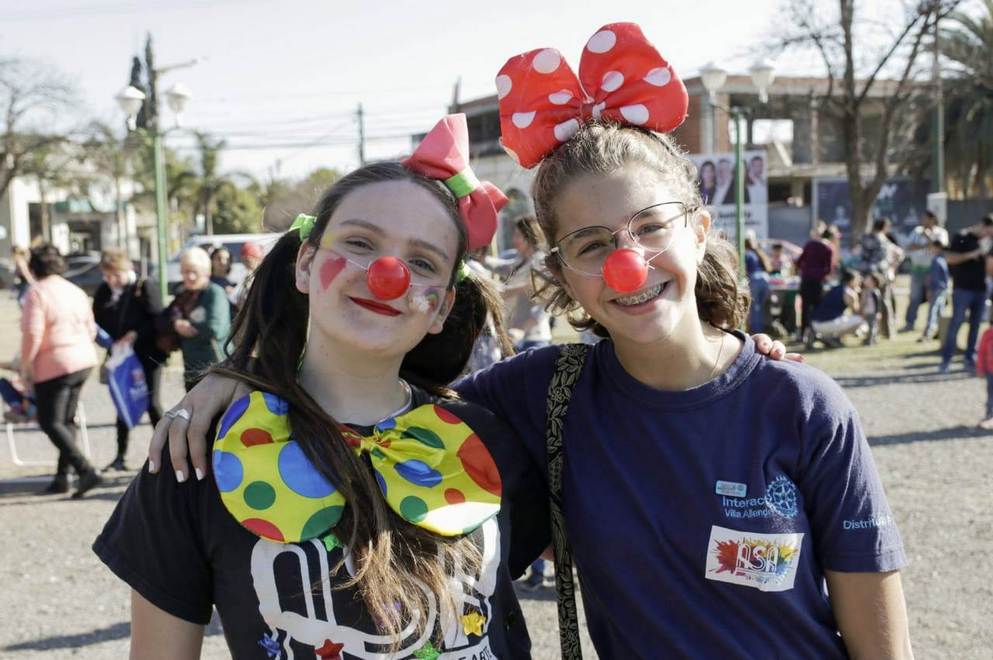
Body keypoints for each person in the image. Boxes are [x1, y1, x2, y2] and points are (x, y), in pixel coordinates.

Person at [156, 22, 909, 656]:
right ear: (561, 273)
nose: (627, 263)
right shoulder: (542, 395)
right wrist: (241, 376)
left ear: (699, 228)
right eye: (592, 244)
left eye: (650, 228)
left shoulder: (804, 406)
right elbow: (374, 387)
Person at [94, 116, 550, 658]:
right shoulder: (195, 455)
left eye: (422, 261)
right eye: (360, 242)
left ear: (442, 308)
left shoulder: (487, 441)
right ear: (306, 263)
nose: (388, 273)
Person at [20, 244, 102, 497]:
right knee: (66, 421)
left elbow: (32, 333)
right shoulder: (74, 289)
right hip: (83, 360)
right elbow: (91, 328)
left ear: (34, 266)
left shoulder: (37, 293)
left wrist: (26, 365)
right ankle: (62, 477)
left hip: (54, 364)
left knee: (50, 421)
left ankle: (85, 470)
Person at [92, 248, 166, 471]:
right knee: (122, 402)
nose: (111, 280)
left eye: (116, 275)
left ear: (127, 270)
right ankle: (120, 456)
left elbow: (157, 318)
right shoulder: (104, 291)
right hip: (120, 356)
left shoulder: (143, 286)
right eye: (107, 275)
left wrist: (135, 334)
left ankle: (166, 450)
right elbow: (96, 319)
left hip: (147, 354)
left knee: (152, 402)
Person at [169, 247, 231, 391]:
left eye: (194, 272)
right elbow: (165, 319)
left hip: (215, 369)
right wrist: (175, 324)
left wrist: (190, 328)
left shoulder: (215, 293)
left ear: (206, 272)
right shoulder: (183, 294)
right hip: (191, 369)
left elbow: (216, 329)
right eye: (185, 272)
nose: (190, 277)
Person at [939, 214, 993, 373]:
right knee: (956, 322)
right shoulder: (961, 236)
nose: (989, 235)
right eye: (988, 231)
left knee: (975, 325)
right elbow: (950, 258)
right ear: (982, 225)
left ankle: (969, 358)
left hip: (981, 289)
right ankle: (946, 359)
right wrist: (972, 254)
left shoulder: (988, 242)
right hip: (962, 288)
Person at [501, 215, 553, 351]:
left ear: (529, 237)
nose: (514, 240)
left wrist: (522, 330)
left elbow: (544, 305)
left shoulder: (540, 264)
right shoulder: (521, 261)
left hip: (534, 340)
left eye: (518, 235)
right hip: (517, 338)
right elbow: (500, 266)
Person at [901, 210, 948, 333]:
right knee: (914, 297)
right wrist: (926, 245)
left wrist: (928, 238)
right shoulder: (917, 231)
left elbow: (940, 247)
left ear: (932, 219)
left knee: (935, 299)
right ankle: (910, 323)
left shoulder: (940, 232)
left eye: (925, 218)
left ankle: (938, 327)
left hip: (933, 270)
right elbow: (908, 247)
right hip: (917, 269)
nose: (922, 221)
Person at [859, 218, 903, 339]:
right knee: (884, 302)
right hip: (880, 275)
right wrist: (892, 267)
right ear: (884, 226)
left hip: (866, 274)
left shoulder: (865, 237)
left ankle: (870, 331)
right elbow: (898, 254)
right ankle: (887, 331)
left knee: (868, 303)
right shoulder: (882, 239)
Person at [795, 227, 836, 343]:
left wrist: (805, 269)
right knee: (816, 307)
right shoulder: (828, 248)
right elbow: (828, 269)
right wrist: (821, 274)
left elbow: (799, 262)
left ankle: (803, 333)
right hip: (818, 282)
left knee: (805, 308)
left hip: (806, 279)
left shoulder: (809, 245)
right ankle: (814, 332)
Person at [808, 270, 865, 348]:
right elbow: (857, 312)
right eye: (857, 280)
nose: (858, 282)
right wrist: (858, 296)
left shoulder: (835, 288)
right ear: (852, 280)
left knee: (843, 317)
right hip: (826, 324)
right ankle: (833, 338)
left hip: (815, 323)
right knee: (860, 320)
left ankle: (822, 337)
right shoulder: (849, 292)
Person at [920, 239, 950, 342]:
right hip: (943, 289)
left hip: (936, 289)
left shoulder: (936, 260)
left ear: (937, 248)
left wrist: (930, 289)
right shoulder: (943, 259)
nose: (930, 250)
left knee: (932, 310)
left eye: (932, 247)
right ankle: (941, 332)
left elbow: (934, 277)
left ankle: (927, 333)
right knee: (940, 311)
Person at [744, 233, 771, 333]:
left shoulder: (746, 254)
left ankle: (756, 330)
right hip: (765, 279)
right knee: (760, 307)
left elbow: (745, 270)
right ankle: (761, 328)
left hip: (755, 279)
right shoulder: (759, 253)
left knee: (754, 307)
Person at [976, 325, 993, 429]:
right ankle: (989, 416)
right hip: (991, 372)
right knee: (991, 396)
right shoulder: (988, 333)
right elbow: (981, 352)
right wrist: (980, 368)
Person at [860, 272, 882, 346]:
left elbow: (878, 303)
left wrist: (878, 312)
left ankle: (871, 340)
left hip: (872, 312)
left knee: (873, 327)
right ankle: (868, 339)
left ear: (873, 282)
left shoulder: (875, 291)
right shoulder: (865, 291)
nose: (865, 281)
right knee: (867, 327)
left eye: (868, 280)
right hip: (866, 312)